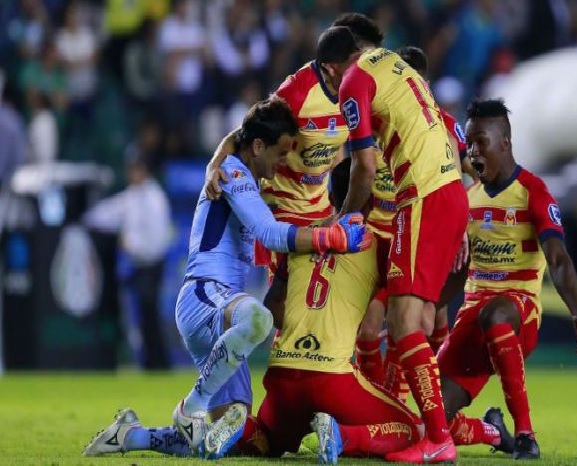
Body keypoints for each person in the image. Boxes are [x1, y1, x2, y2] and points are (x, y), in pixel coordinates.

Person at [83, 96, 372, 459]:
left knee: (236, 437)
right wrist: (332, 238)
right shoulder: (232, 173)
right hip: (205, 293)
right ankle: (190, 407)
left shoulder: (241, 172)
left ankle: (133, 436)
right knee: (258, 320)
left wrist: (327, 225)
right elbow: (269, 233)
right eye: (281, 152)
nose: (284, 161)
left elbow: (245, 141)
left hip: (221, 306)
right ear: (258, 146)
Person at [205, 157, 423, 465]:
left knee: (269, 441)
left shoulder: (301, 239)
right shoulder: (380, 248)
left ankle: (242, 427)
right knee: (412, 430)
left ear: (330, 197)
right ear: (373, 201)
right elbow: (405, 306)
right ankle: (340, 435)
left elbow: (273, 309)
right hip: (332, 380)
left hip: (282, 374)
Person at [316, 27, 469, 463]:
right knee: (415, 320)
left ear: (330, 69)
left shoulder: (352, 81)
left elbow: (364, 167)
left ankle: (436, 437)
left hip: (421, 197)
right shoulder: (391, 61)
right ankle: (426, 429)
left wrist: (344, 220)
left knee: (403, 324)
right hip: (446, 191)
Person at [204, 12, 385, 328]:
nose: (364, 68)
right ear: (333, 65)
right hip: (284, 207)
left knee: (324, 302)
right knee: (288, 305)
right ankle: (283, 353)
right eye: (357, 60)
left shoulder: (357, 90)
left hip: (322, 208)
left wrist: (338, 199)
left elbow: (337, 146)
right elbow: (248, 133)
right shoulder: (297, 92)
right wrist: (213, 166)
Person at [437, 98, 577, 460]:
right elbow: (459, 270)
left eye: (481, 142)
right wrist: (426, 305)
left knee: (495, 313)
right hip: (471, 317)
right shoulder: (468, 199)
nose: (473, 152)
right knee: (432, 422)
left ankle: (525, 434)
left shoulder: (533, 191)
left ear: (505, 142)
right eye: (469, 143)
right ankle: (494, 432)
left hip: (519, 313)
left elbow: (558, 258)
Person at [355, 45, 472, 400]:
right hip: (378, 236)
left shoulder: (444, 125)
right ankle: (382, 405)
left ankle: (420, 404)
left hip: (422, 228)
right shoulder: (376, 118)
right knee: (371, 329)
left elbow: (469, 172)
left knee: (427, 320)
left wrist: (464, 225)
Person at [82, 156, 172, 370]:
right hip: (139, 265)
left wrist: (131, 245)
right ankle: (150, 362)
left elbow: (158, 239)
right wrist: (84, 217)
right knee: (143, 315)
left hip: (151, 264)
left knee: (150, 315)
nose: (131, 175)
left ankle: (159, 363)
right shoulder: (133, 195)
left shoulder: (155, 198)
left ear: (144, 171)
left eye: (135, 170)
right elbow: (105, 214)